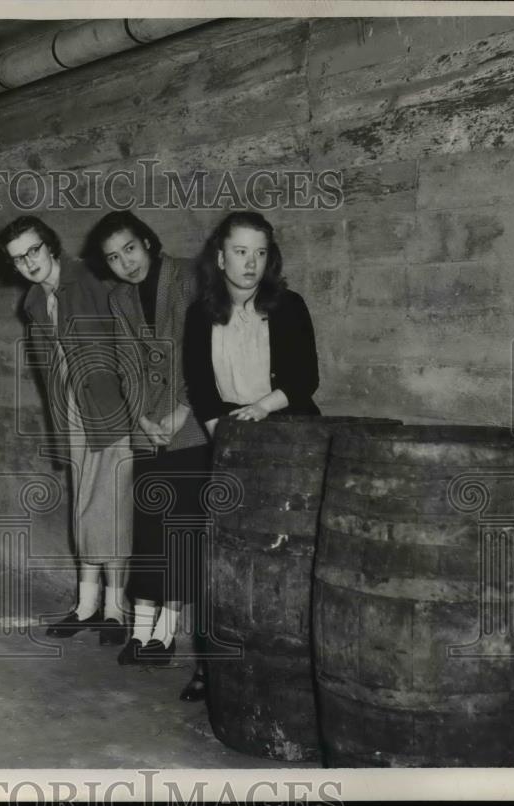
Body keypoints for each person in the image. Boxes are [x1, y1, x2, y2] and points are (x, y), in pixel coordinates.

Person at [183, 210, 320, 699]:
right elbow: (200, 382)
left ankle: (288, 670)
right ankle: (211, 667)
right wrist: (225, 435)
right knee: (219, 556)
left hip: (288, 435)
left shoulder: (289, 306)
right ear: (220, 257)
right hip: (231, 440)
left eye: (260, 253)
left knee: (287, 555)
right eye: (240, 252)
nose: (250, 263)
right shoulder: (202, 313)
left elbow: (305, 380)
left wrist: (262, 409)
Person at [83, 210, 212, 695]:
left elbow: (200, 351)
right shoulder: (119, 299)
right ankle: (141, 627)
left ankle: (166, 632)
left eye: (130, 249)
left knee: (182, 528)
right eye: (114, 258)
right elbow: (125, 363)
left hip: (192, 422)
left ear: (149, 242)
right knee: (150, 526)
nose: (125, 263)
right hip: (146, 428)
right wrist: (140, 418)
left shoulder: (188, 280)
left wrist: (181, 410)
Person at [0, 216, 133, 645]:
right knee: (85, 505)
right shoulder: (36, 302)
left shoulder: (91, 280)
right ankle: (87, 605)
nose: (28, 263)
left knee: (109, 506)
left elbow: (130, 341)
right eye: (18, 259)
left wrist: (136, 406)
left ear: (51, 246)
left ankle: (114, 609)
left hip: (109, 409)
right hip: (72, 412)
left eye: (33, 251)